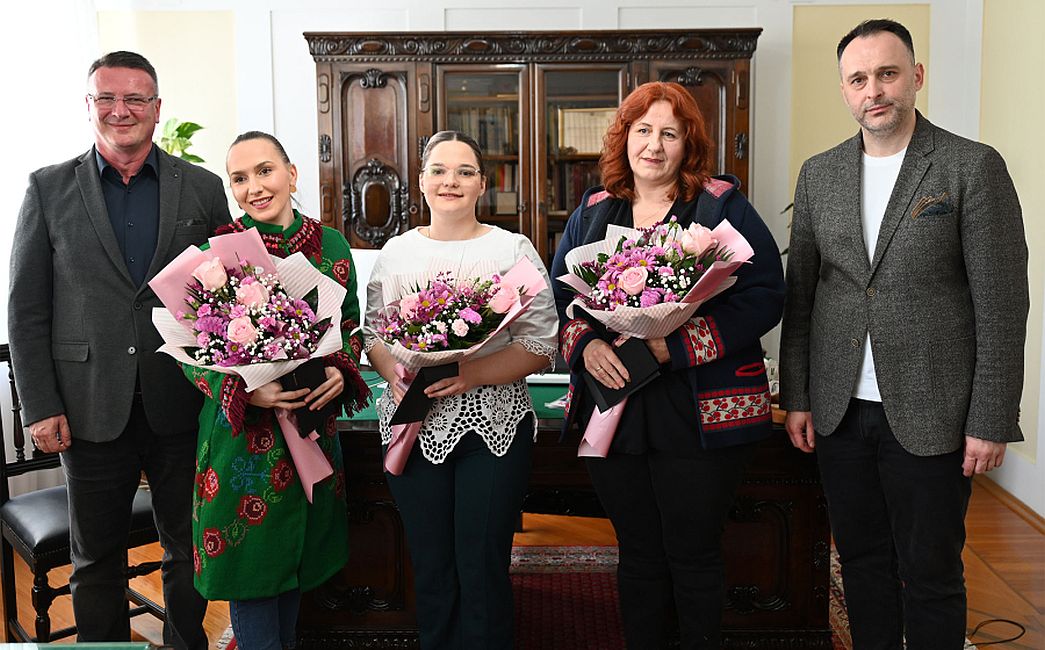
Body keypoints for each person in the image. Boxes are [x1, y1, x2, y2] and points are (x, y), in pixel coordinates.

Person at [779, 19, 1028, 650]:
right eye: (859, 79)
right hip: (839, 410)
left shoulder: (971, 166)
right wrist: (799, 396)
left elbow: (1002, 303)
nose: (874, 91)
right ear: (844, 90)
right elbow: (802, 295)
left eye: (887, 74)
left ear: (915, 77)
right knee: (861, 562)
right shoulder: (819, 174)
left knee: (931, 571)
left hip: (935, 409)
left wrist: (991, 416)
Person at [548, 81, 785, 649]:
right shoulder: (593, 210)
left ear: (688, 144)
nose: (654, 145)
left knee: (694, 550)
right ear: (625, 137)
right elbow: (558, 300)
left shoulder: (719, 205)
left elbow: (765, 295)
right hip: (618, 409)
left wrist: (673, 346)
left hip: (701, 410)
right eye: (643, 130)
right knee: (638, 552)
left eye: (669, 134)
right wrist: (587, 346)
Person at [7, 51, 230, 647]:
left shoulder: (203, 189)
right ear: (89, 107)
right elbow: (26, 310)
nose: (120, 109)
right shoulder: (47, 189)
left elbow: (230, 300)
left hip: (182, 402)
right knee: (95, 563)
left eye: (135, 99)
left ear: (157, 110)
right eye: (107, 98)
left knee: (189, 555)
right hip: (86, 408)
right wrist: (39, 405)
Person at [363, 130, 558, 649]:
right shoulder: (396, 252)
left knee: (481, 564)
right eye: (439, 170)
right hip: (411, 422)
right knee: (430, 565)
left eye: (465, 172)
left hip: (492, 427)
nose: (451, 180)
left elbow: (541, 345)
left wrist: (470, 373)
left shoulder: (510, 249)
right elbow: (374, 335)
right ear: (421, 183)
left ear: (482, 185)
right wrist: (396, 371)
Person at [183, 131, 370, 650]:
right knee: (252, 573)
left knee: (296, 569)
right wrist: (246, 390)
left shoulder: (332, 244)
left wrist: (341, 368)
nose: (254, 187)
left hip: (310, 428)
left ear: (291, 173)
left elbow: (350, 326)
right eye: (239, 178)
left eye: (264, 171)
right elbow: (189, 354)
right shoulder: (215, 254)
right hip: (242, 442)